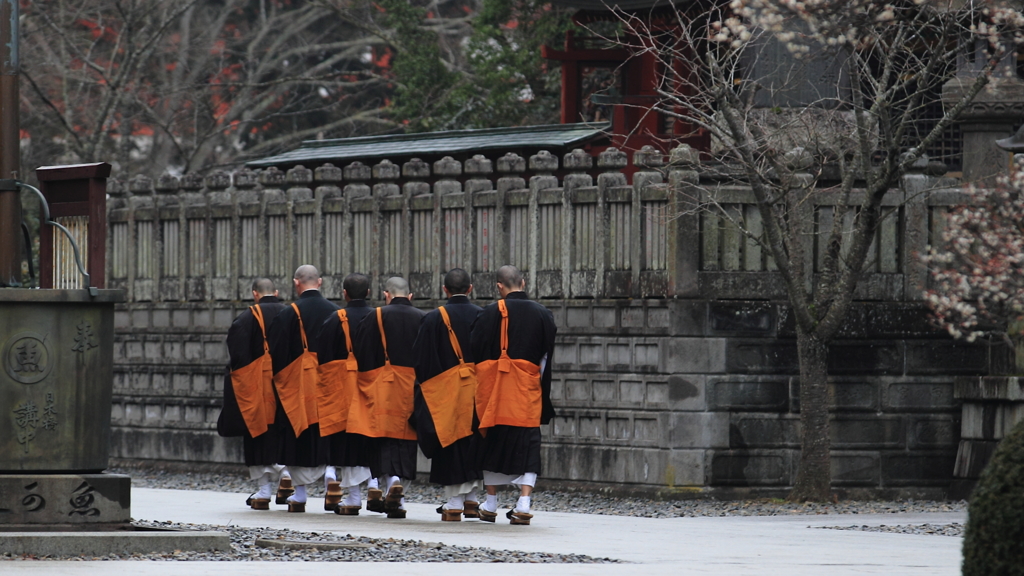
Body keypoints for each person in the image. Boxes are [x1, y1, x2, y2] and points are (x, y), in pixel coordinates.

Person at [470, 265, 556, 526]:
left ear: (499, 286)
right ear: (524, 282)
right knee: (528, 441)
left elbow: (475, 350)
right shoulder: (543, 314)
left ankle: (491, 503)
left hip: (495, 390)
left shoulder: (486, 314)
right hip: (526, 388)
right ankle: (524, 503)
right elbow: (546, 357)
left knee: (492, 439)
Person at [411, 268, 484, 522]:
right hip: (477, 390)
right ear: (470, 288)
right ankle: (473, 499)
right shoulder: (483, 316)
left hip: (444, 393)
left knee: (450, 440)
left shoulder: (433, 319)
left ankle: (454, 503)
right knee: (474, 438)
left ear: (444, 290)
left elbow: (419, 361)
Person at [349, 276, 425, 518]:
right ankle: (399, 496)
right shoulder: (423, 318)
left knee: (382, 437)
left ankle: (389, 480)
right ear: (410, 296)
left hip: (383, 385)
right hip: (413, 386)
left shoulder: (375, 316)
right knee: (407, 437)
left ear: (386, 295)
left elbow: (361, 351)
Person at [267, 265, 338, 512]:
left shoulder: (288, 314)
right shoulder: (337, 312)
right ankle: (331, 474)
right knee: (328, 430)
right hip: (330, 384)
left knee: (297, 433)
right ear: (320, 282)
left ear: (297, 283)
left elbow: (275, 353)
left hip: (298, 386)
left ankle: (300, 495)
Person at [218, 278, 288, 510]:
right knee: (283, 430)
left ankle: (265, 490)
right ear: (276, 293)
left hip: (257, 387)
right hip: (289, 384)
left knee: (257, 432)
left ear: (255, 294)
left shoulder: (246, 319)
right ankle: (287, 474)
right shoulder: (291, 314)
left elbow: (237, 356)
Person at [313, 273, 375, 515]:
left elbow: (323, 356)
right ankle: (375, 484)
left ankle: (353, 497)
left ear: (344, 294)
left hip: (343, 389)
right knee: (371, 437)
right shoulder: (378, 318)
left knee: (347, 440)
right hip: (373, 387)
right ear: (369, 292)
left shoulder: (335, 319)